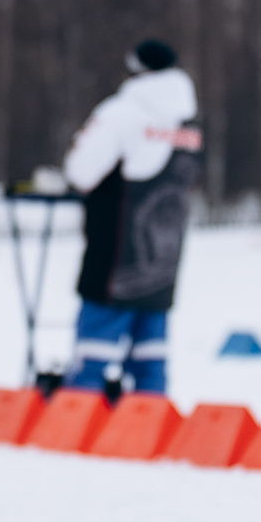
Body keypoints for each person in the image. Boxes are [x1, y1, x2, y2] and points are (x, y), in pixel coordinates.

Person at [60, 38, 201, 399]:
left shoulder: (123, 112)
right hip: (163, 257)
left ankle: (80, 414)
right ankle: (149, 424)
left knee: (96, 349)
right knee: (150, 357)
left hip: (115, 252)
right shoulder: (188, 117)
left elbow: (81, 170)